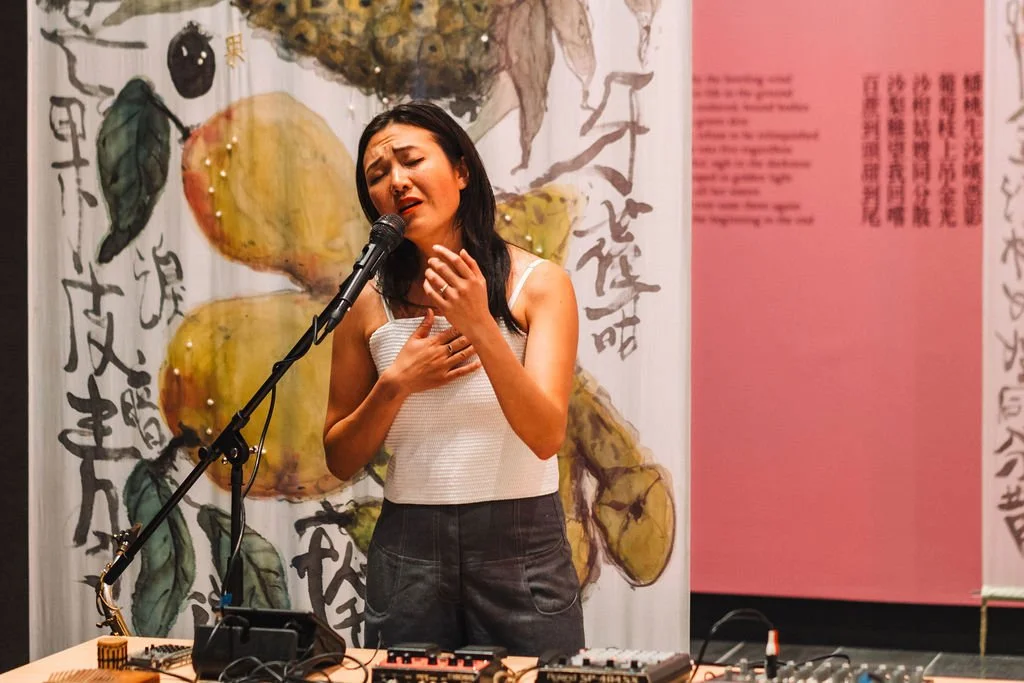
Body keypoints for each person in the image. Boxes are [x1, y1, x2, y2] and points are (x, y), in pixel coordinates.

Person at [322, 101, 584, 656]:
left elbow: (544, 435)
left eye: (412, 161)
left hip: (522, 545)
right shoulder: (364, 304)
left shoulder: (539, 285)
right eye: (377, 175)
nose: (397, 182)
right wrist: (395, 384)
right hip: (408, 550)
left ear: (462, 171)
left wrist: (480, 326)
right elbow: (339, 458)